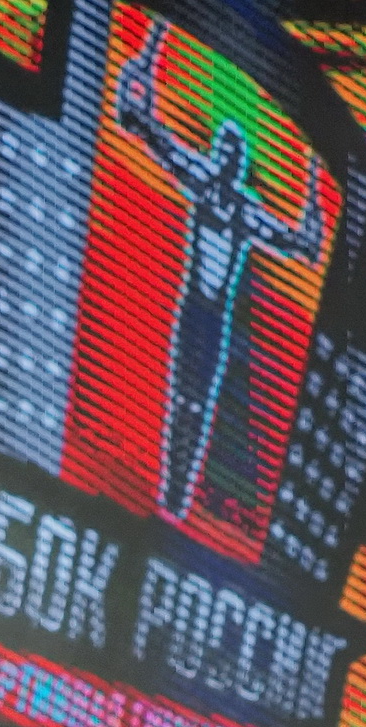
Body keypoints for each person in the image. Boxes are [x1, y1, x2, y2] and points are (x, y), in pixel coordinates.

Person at [114, 29, 325, 521]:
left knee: (198, 404)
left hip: (215, 320)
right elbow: (149, 133)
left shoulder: (245, 211)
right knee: (181, 399)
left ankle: (178, 496)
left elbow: (298, 243)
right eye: (223, 150)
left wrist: (314, 191)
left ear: (240, 164)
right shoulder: (201, 179)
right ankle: (171, 492)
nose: (227, 160)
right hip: (193, 310)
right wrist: (143, 74)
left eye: (234, 155)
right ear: (217, 153)